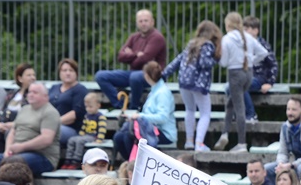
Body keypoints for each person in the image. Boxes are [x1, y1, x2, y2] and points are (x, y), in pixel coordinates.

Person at [161, 20, 222, 152]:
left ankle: (189, 141)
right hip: (198, 83)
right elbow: (205, 63)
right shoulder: (208, 45)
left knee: (190, 110)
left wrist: (165, 73)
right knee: (205, 113)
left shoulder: (191, 44)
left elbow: (178, 60)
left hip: (184, 81)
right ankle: (199, 143)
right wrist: (216, 59)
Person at [213, 12, 268, 153]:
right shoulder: (248, 37)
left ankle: (242, 143)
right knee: (231, 103)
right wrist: (250, 61)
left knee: (239, 108)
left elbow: (224, 63)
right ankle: (224, 134)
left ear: (227, 24)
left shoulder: (227, 39)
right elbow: (263, 53)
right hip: (248, 73)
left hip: (235, 74)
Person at [96, 9, 167, 111]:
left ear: (152, 22)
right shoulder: (134, 37)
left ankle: (134, 107)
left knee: (135, 77)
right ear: (137, 23)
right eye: (140, 21)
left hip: (153, 75)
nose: (143, 24)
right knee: (101, 76)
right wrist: (136, 54)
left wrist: (131, 55)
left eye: (146, 20)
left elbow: (145, 58)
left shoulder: (157, 37)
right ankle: (121, 105)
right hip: (133, 73)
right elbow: (120, 56)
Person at [0, 83, 59, 176]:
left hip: (43, 157)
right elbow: (12, 132)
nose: (30, 94)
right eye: (29, 92)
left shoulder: (50, 112)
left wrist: (21, 147)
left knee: (14, 162)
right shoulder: (24, 109)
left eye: (35, 92)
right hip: (17, 154)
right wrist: (7, 151)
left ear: (45, 96)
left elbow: (46, 139)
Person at [113, 61, 176, 161]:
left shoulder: (163, 92)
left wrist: (140, 116)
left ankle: (136, 165)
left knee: (128, 136)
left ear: (146, 75)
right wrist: (131, 117)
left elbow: (163, 118)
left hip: (164, 133)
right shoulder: (155, 89)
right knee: (118, 137)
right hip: (149, 129)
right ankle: (131, 164)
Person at [0, 63, 36, 154]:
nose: (33, 77)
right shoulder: (12, 94)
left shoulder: (33, 96)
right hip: (4, 125)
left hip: (21, 128)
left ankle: (9, 161)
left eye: (33, 75)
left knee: (9, 133)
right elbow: (1, 111)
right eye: (29, 75)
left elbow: (31, 117)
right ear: (20, 78)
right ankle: (0, 161)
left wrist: (13, 125)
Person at [241, 16, 278, 122]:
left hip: (258, 77)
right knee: (229, 87)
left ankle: (251, 114)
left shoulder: (262, 45)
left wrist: (270, 83)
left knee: (240, 85)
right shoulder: (243, 45)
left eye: (247, 30)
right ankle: (237, 114)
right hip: (245, 76)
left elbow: (273, 64)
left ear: (256, 31)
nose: (244, 33)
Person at [47, 58, 88, 148]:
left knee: (49, 131)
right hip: (51, 124)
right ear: (59, 73)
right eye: (64, 70)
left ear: (76, 73)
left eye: (71, 70)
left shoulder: (80, 90)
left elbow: (75, 114)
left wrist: (54, 122)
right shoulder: (54, 88)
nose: (68, 73)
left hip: (72, 129)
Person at [62, 93, 107, 169]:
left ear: (98, 106)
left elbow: (102, 129)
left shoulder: (100, 116)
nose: (88, 109)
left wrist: (99, 139)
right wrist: (81, 134)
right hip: (85, 135)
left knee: (80, 141)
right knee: (71, 140)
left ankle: (76, 161)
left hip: (93, 136)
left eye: (91, 107)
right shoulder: (87, 115)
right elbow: (84, 126)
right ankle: (68, 160)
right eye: (86, 107)